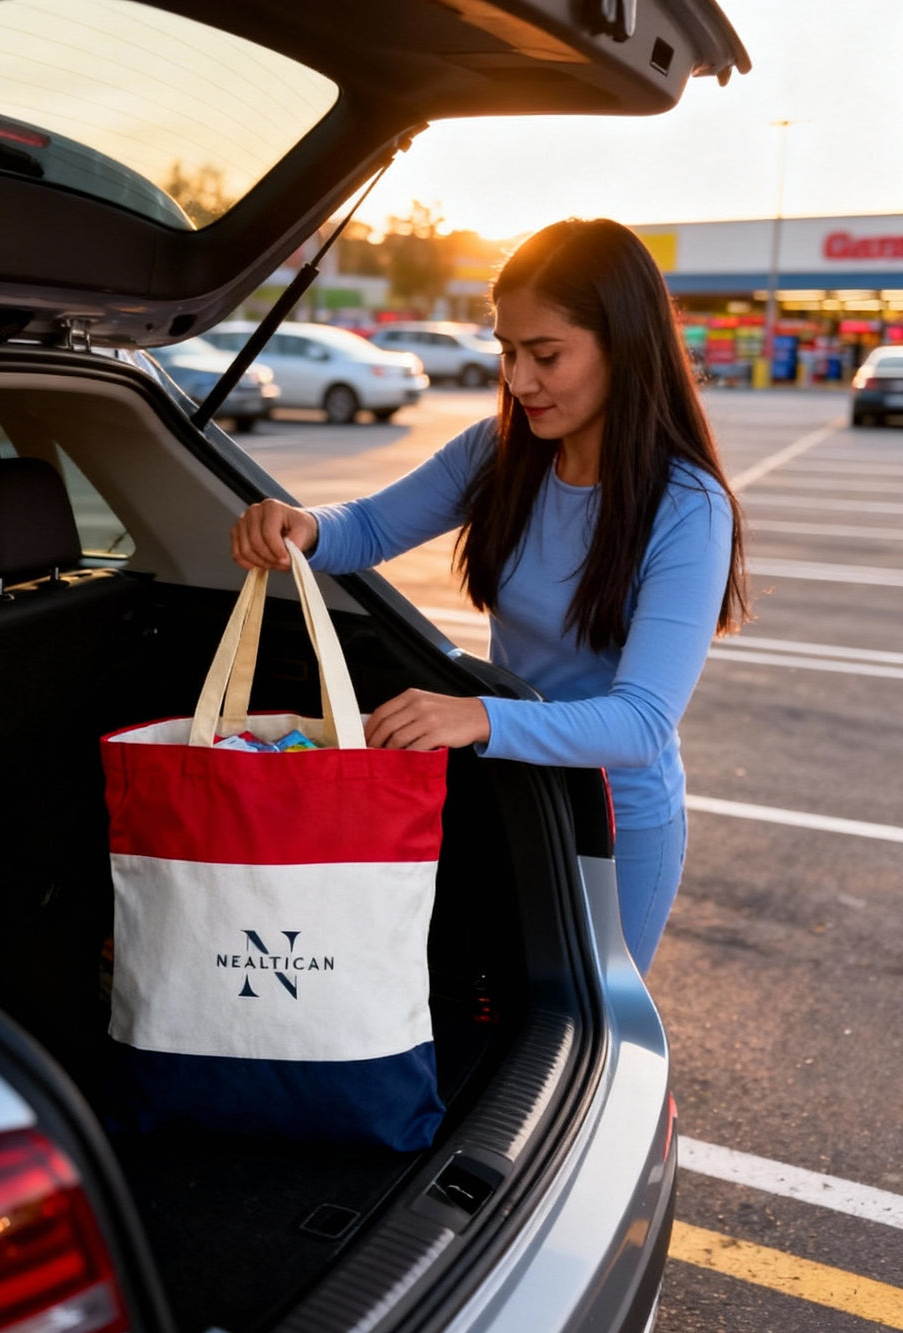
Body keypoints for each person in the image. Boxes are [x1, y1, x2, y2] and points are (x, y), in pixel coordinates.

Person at [230, 217, 749, 975]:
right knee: (499, 1002)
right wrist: (302, 525)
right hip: (512, 792)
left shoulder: (687, 505)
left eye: (546, 355)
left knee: (597, 1025)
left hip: (616, 822)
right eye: (508, 351)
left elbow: (640, 723)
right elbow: (371, 524)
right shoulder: (499, 451)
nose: (519, 380)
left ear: (626, 345)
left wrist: (473, 715)